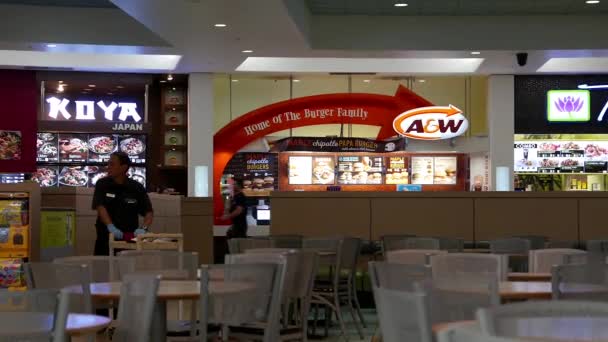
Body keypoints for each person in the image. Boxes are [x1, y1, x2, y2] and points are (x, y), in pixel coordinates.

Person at [92, 151, 153, 255]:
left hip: (129, 240)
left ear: (123, 167)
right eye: (108, 163)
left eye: (112, 164)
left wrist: (143, 229)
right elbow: (100, 206)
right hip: (105, 238)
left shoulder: (136, 187)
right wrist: (111, 226)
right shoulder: (102, 184)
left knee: (126, 269)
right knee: (102, 269)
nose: (108, 167)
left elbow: (148, 212)